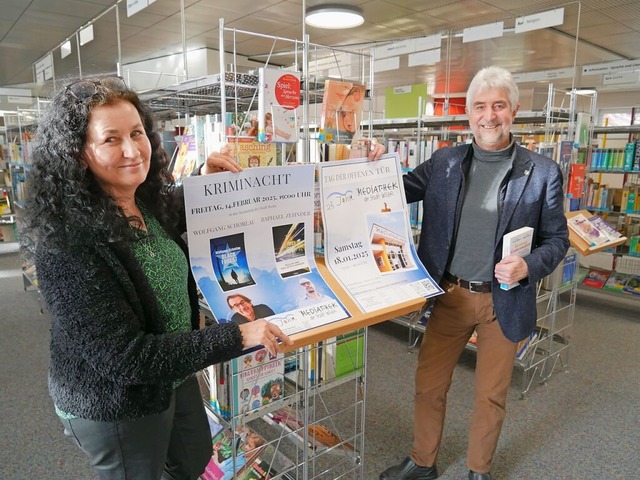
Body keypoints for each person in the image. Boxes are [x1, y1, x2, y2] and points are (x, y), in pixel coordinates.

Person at [20, 75, 293, 480]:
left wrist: (205, 181)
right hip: (114, 399)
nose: (132, 150)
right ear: (78, 153)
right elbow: (124, 358)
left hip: (169, 373)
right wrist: (239, 335)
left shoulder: (142, 201)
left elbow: (174, 212)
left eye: (137, 133)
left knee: (192, 456)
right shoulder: (66, 243)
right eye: (111, 139)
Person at [378, 66, 569, 480]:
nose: (489, 116)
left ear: (514, 110)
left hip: (505, 300)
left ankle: (478, 471)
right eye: (480, 107)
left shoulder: (543, 172)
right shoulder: (445, 162)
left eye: (498, 105)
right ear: (468, 115)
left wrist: (528, 265)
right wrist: (370, 169)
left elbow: (557, 241)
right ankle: (422, 461)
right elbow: (397, 190)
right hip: (450, 295)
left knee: (491, 395)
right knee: (429, 385)